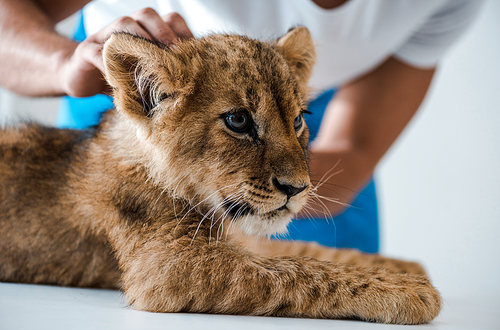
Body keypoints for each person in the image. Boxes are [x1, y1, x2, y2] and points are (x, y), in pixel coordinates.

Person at [0, 0, 483, 253]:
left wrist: (280, 146)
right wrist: (64, 64)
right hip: (143, 96)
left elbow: (353, 150)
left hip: (300, 118)